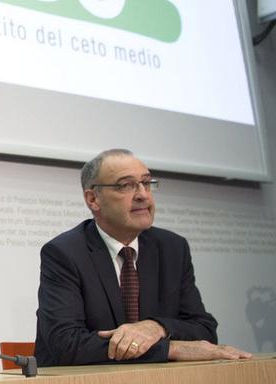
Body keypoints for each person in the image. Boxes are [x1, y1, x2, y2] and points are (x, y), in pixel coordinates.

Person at [35, 148, 252, 366]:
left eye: (147, 183)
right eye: (126, 185)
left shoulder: (172, 248)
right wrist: (170, 348)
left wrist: (156, 327)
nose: (143, 195)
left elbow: (204, 330)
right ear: (93, 199)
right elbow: (67, 344)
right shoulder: (65, 253)